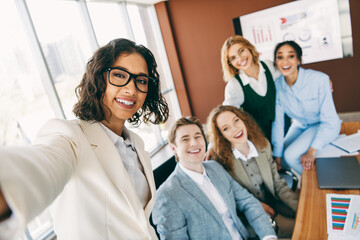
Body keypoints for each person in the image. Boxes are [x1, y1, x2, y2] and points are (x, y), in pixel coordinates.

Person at [0, 38, 169, 239]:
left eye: (141, 80)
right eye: (119, 75)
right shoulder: (70, 136)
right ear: (99, 78)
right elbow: (42, 164)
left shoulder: (137, 145)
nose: (131, 89)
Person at [152, 116, 277, 240]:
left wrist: (268, 236)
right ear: (173, 148)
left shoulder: (215, 168)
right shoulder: (166, 195)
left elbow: (248, 202)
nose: (194, 143)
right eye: (185, 139)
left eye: (197, 136)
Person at [207, 105, 298, 238]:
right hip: (250, 216)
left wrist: (299, 206)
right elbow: (229, 199)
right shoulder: (219, 161)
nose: (235, 128)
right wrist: (258, 206)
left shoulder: (263, 144)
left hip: (273, 201)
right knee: (298, 225)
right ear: (221, 135)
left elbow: (278, 184)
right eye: (226, 128)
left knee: (306, 213)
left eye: (236, 120)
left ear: (243, 119)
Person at [272, 40, 341, 175]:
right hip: (299, 125)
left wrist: (312, 150)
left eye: (291, 56)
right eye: (280, 57)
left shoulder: (320, 79)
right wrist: (277, 157)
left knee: (291, 156)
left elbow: (330, 120)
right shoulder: (277, 85)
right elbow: (278, 123)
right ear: (276, 62)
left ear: (299, 60)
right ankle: (305, 184)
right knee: (282, 157)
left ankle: (316, 185)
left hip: (322, 124)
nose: (285, 62)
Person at [221, 35, 281, 141]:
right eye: (233, 58)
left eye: (241, 51)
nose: (240, 59)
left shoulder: (269, 66)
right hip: (261, 139)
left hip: (284, 128)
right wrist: (213, 145)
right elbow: (224, 117)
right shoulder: (235, 85)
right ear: (229, 63)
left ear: (249, 48)